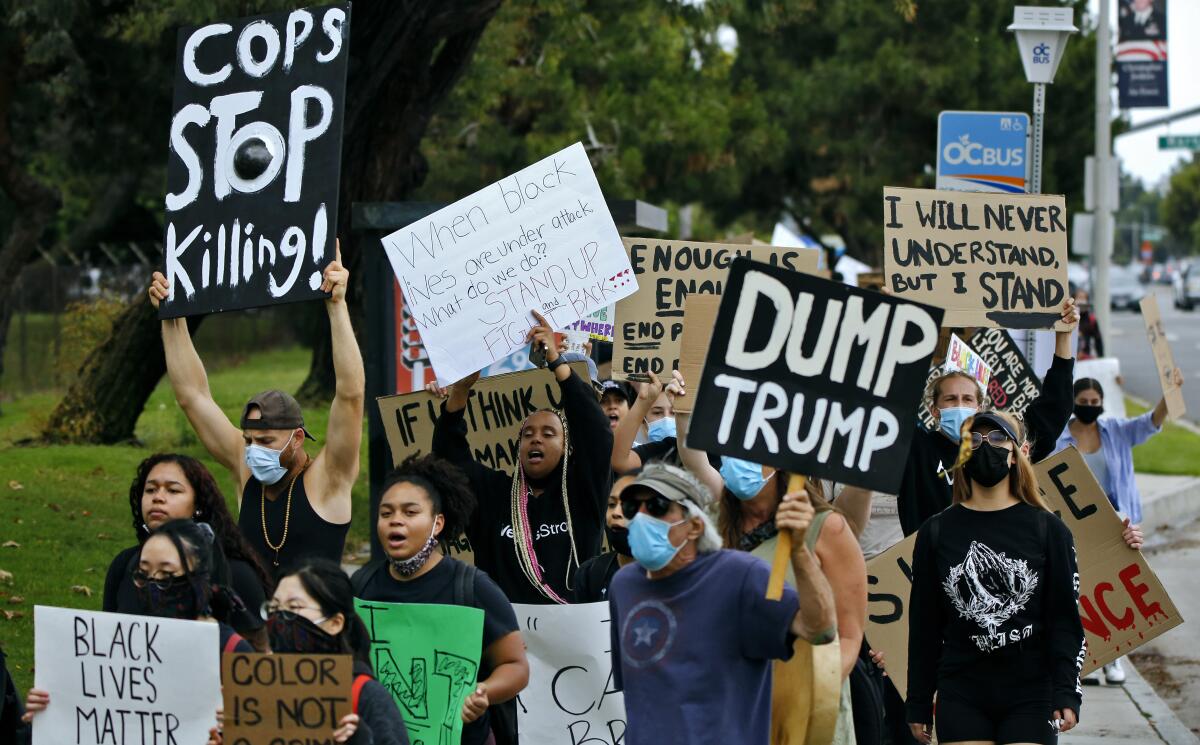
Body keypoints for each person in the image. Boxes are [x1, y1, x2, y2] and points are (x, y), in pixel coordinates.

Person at [147, 244, 364, 570]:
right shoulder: (245, 467)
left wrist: (337, 307)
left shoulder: (329, 477)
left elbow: (350, 395)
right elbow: (192, 396)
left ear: (298, 438)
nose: (253, 450)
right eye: (249, 440)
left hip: (312, 616)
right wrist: (171, 315)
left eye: (265, 442)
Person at [608, 463, 837, 744]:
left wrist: (800, 551)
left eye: (656, 506)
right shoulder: (624, 585)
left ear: (694, 525)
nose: (641, 517)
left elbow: (820, 628)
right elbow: (638, 692)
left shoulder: (741, 576)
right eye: (632, 508)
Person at [907, 412, 1085, 745]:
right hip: (961, 691)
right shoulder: (936, 532)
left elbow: (1064, 619)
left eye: (998, 438)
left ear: (1020, 452)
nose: (984, 447)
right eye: (973, 440)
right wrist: (918, 702)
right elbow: (924, 627)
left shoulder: (1049, 531)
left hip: (1032, 693)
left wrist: (1066, 690)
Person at [429, 310, 612, 604]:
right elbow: (448, 461)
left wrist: (556, 362)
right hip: (505, 638)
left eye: (549, 434)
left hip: (573, 640)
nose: (536, 438)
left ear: (568, 447)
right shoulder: (493, 495)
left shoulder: (582, 490)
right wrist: (460, 392)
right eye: (527, 434)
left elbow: (596, 433)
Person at [351, 454, 529, 745]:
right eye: (386, 513)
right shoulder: (361, 585)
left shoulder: (473, 589)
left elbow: (516, 666)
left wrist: (483, 693)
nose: (396, 520)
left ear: (437, 523)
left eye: (410, 512)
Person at [24, 520, 255, 728]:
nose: (153, 584)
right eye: (144, 574)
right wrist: (51, 713)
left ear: (198, 576)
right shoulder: (113, 646)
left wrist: (235, 729)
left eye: (167, 574)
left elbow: (264, 731)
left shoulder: (232, 651)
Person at [897, 299, 1080, 536]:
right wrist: (895, 320)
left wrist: (1063, 337)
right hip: (936, 565)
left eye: (967, 399)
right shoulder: (917, 450)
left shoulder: (998, 446)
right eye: (951, 400)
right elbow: (890, 404)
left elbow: (1053, 411)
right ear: (934, 410)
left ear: (980, 407)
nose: (960, 406)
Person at [1054, 372, 1180, 684]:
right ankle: (1093, 658)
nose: (1089, 406)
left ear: (1102, 404)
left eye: (1095, 403)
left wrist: (1169, 393)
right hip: (1075, 524)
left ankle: (1116, 658)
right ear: (1073, 403)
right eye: (1083, 402)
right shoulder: (1059, 438)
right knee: (1082, 590)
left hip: (1116, 521)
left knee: (1118, 587)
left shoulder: (1115, 431)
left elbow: (1151, 421)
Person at [103, 453, 273, 649]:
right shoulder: (124, 563)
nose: (158, 498)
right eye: (150, 490)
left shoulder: (236, 573)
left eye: (173, 491)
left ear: (198, 505)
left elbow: (259, 661)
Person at [252, 558, 411, 745]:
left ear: (335, 623)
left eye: (294, 607)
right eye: (274, 607)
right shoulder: (260, 689)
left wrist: (361, 740)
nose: (279, 617)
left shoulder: (365, 695)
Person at [573, 472, 638, 602]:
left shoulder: (682, 573)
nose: (616, 513)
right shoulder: (590, 574)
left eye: (629, 504)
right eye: (612, 504)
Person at [1074, 289, 1104, 359]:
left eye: (1083, 298)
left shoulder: (1091, 320)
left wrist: (1101, 357)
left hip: (1084, 358)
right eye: (1079, 298)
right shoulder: (1068, 318)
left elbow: (1098, 340)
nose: (1081, 301)